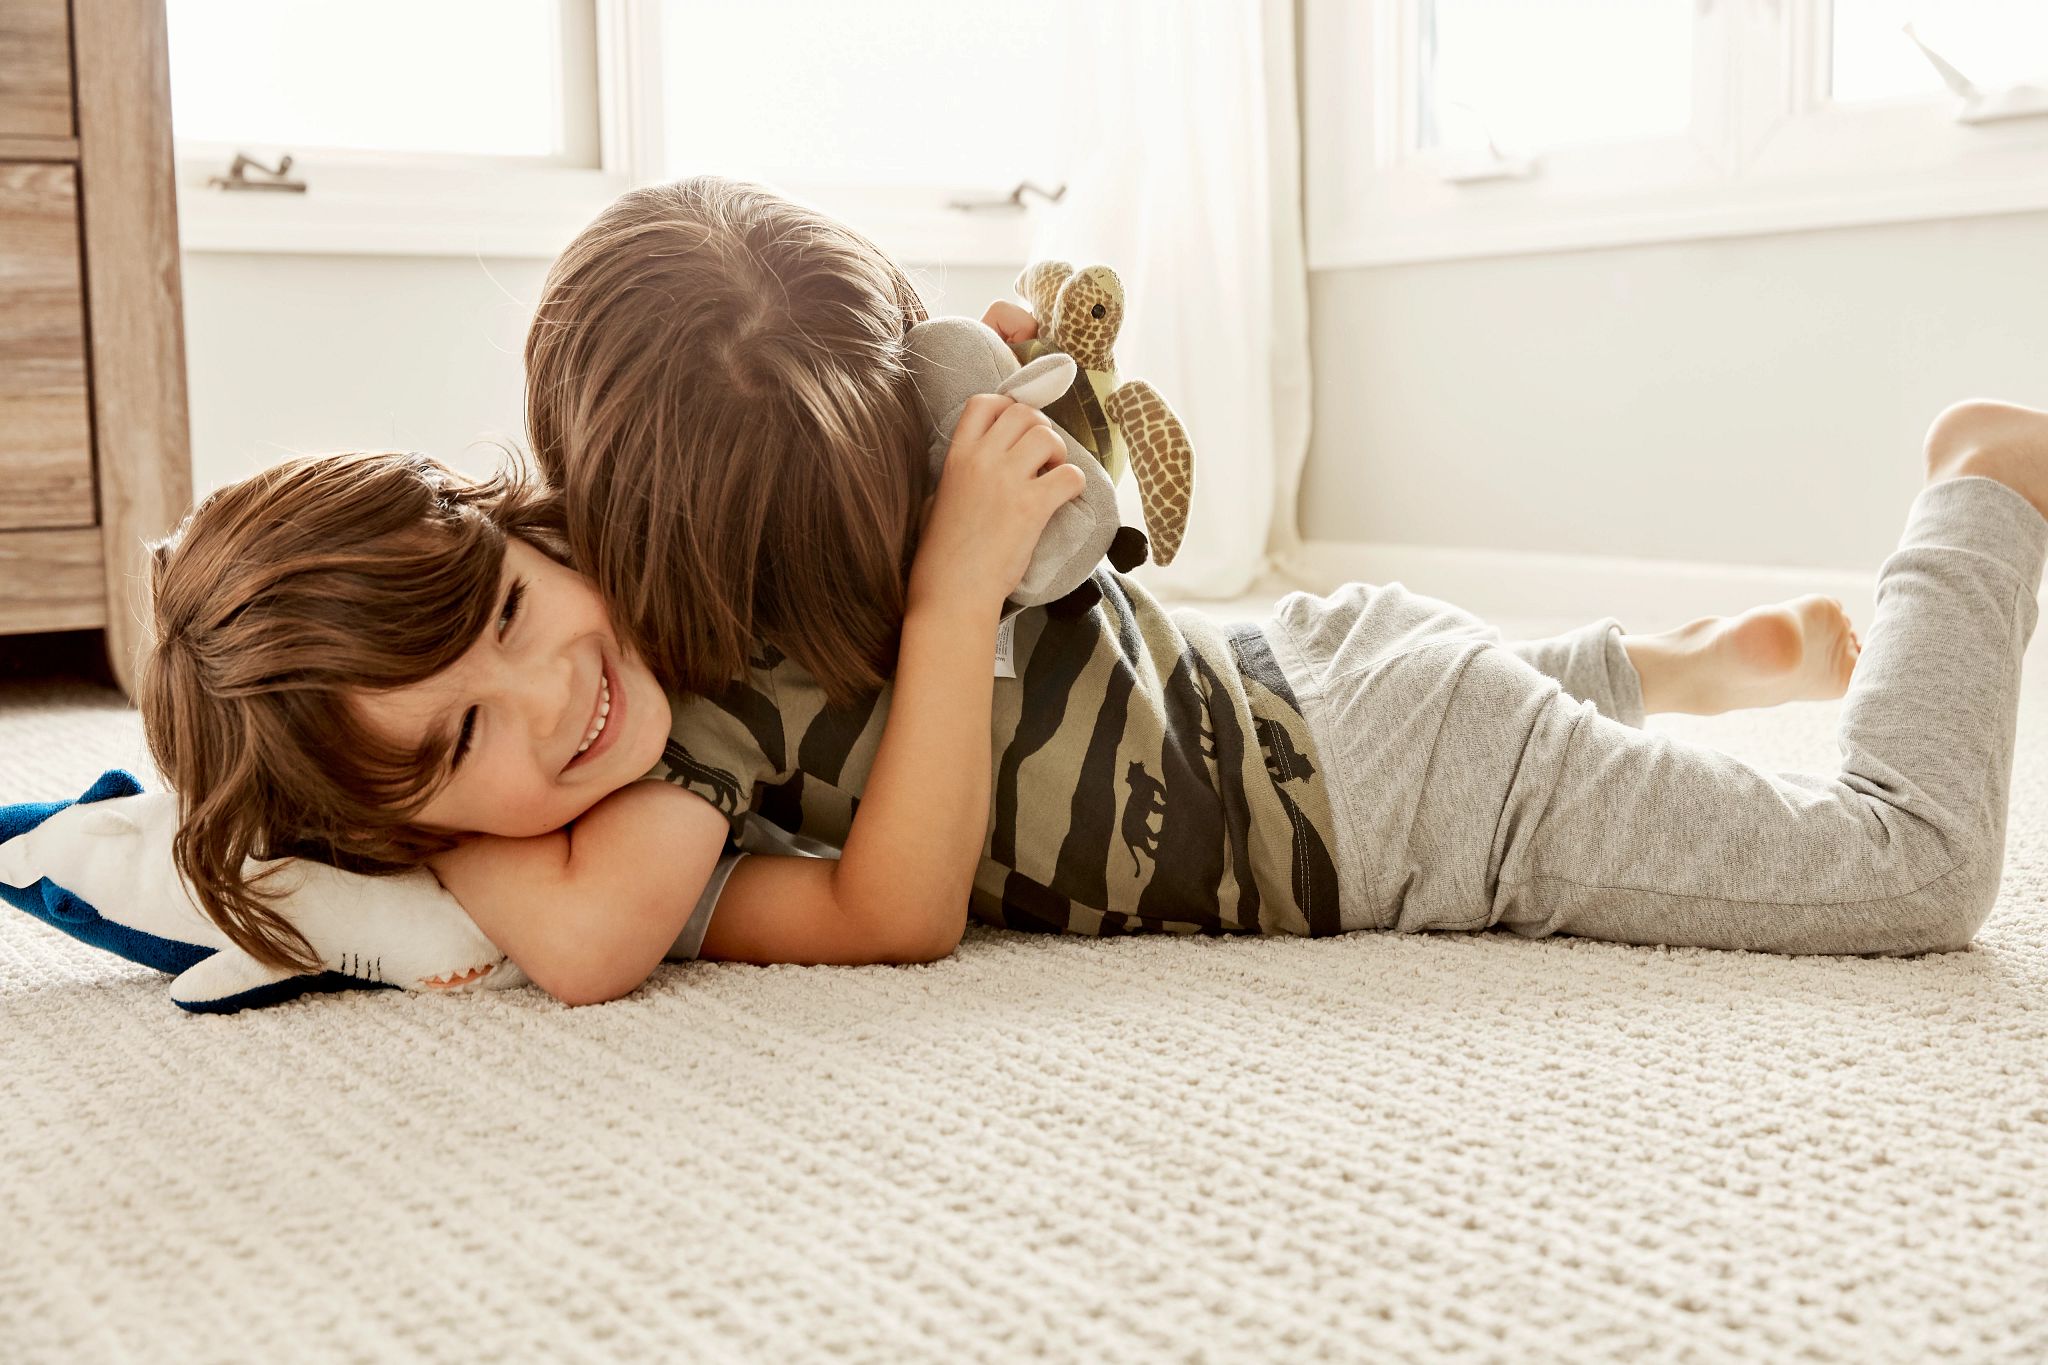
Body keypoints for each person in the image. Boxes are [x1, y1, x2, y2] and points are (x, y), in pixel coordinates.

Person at [137, 179, 2048, 1006]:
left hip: (1397, 797)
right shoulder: (655, 780)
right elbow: (600, 938)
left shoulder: (704, 573)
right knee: (1407, 680)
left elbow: (888, 903)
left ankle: (1981, 488)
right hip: (1316, 678)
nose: (553, 693)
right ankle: (1654, 666)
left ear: (517, 513)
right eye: (463, 741)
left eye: (500, 611)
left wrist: (960, 580)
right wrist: (412, 836)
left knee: (1909, 869)